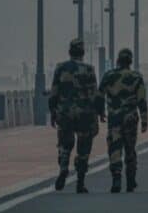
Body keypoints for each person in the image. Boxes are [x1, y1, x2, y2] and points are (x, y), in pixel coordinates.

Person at [48, 38, 100, 193]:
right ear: (83, 52)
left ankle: (64, 167)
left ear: (69, 52)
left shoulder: (60, 68)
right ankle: (80, 182)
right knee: (84, 149)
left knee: (64, 144)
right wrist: (98, 114)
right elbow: (94, 95)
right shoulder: (89, 69)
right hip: (84, 114)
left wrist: (52, 112)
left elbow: (54, 92)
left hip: (65, 113)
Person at [98, 48, 148, 193]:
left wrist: (101, 113)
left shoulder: (109, 76)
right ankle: (131, 180)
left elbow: (99, 96)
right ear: (130, 61)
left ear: (118, 60)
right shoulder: (136, 76)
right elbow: (142, 100)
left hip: (114, 118)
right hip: (130, 117)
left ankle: (116, 177)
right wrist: (145, 120)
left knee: (114, 148)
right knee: (130, 148)